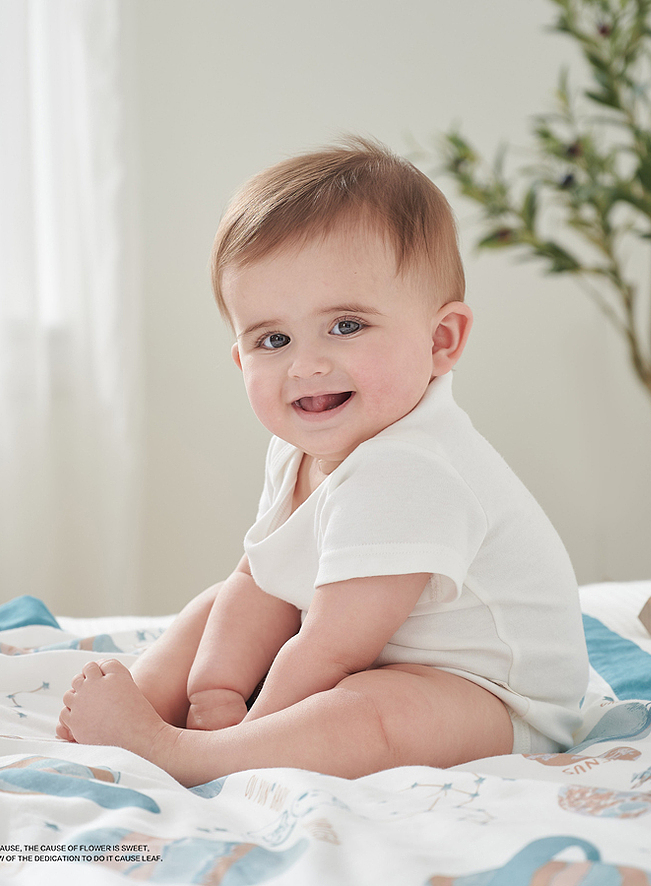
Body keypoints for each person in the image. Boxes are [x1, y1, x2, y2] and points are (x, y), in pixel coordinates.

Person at [57, 137, 588, 788]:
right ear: (241, 360)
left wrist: (248, 737)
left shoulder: (414, 467)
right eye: (273, 339)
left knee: (376, 713)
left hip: (493, 700)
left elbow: (334, 649)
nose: (305, 363)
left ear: (440, 340)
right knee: (217, 604)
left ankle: (191, 758)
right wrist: (214, 694)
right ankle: (149, 703)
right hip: (371, 653)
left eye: (346, 326)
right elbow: (260, 582)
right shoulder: (301, 448)